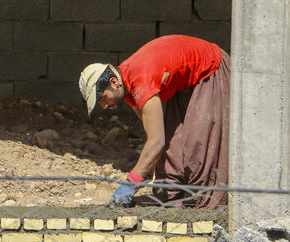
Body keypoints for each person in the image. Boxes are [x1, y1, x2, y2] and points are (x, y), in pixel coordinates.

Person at [79, 35, 230, 208]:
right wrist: (149, 167)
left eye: (103, 98)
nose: (104, 106)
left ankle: (207, 211)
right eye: (100, 103)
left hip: (210, 68)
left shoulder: (141, 80)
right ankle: (173, 202)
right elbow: (152, 134)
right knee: (174, 147)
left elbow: (156, 142)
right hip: (185, 81)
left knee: (198, 147)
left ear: (113, 82)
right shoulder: (128, 88)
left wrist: (131, 184)